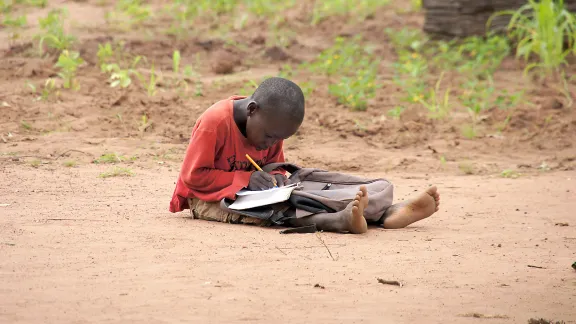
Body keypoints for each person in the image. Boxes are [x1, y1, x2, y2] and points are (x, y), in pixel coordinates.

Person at [169, 77, 440, 234]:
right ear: (252, 110)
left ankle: (386, 209)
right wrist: (246, 179)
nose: (271, 143)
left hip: (256, 190)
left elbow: (274, 165)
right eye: (270, 136)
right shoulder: (214, 123)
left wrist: (274, 178)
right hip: (209, 199)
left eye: (280, 138)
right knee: (272, 210)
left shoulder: (270, 126)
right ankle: (335, 220)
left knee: (307, 182)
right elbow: (193, 177)